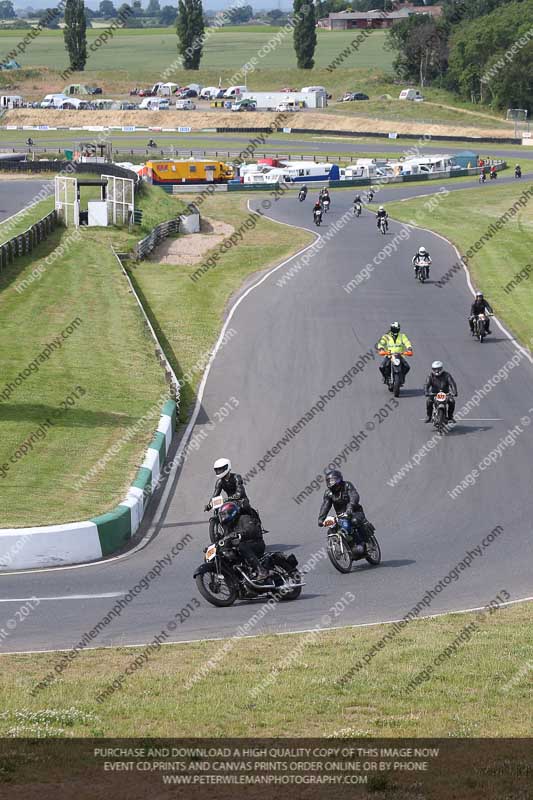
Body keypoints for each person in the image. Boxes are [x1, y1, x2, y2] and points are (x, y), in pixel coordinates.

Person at [318, 470, 368, 555]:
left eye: (332, 480)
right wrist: (321, 518)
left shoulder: (347, 485)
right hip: (341, 516)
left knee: (354, 521)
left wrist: (350, 507)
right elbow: (325, 505)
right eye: (329, 481)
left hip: (355, 511)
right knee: (332, 530)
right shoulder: (328, 493)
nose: (331, 483)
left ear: (338, 479)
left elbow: (354, 496)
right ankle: (349, 547)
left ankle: (364, 543)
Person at [205, 457, 261, 531]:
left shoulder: (236, 477)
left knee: (245, 506)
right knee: (221, 511)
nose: (219, 471)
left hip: (241, 499)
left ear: (227, 468)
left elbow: (239, 493)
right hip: (230, 501)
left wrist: (227, 499)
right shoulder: (219, 482)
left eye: (221, 469)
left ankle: (255, 523)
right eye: (217, 469)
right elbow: (215, 495)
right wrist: (209, 505)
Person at [217, 501, 268, 581]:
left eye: (224, 514)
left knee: (242, 546)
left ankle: (261, 570)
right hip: (243, 547)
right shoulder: (228, 527)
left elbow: (251, 529)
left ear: (232, 512)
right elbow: (226, 539)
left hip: (256, 543)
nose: (223, 517)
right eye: (221, 515)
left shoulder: (244, 518)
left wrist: (239, 534)